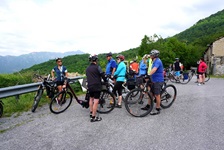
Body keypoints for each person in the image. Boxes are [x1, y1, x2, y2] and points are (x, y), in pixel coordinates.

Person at [141, 49, 164, 115]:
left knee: (157, 94)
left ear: (154, 55)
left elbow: (154, 69)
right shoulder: (153, 61)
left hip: (158, 80)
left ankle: (158, 108)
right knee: (150, 93)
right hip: (153, 79)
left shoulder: (158, 61)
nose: (150, 55)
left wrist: (148, 74)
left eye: (151, 54)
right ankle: (148, 106)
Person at [86, 54, 106, 122]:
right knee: (96, 101)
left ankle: (91, 112)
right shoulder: (98, 67)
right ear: (96, 60)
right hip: (97, 86)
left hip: (90, 86)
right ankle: (94, 117)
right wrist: (106, 81)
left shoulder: (87, 69)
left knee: (91, 99)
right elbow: (102, 75)